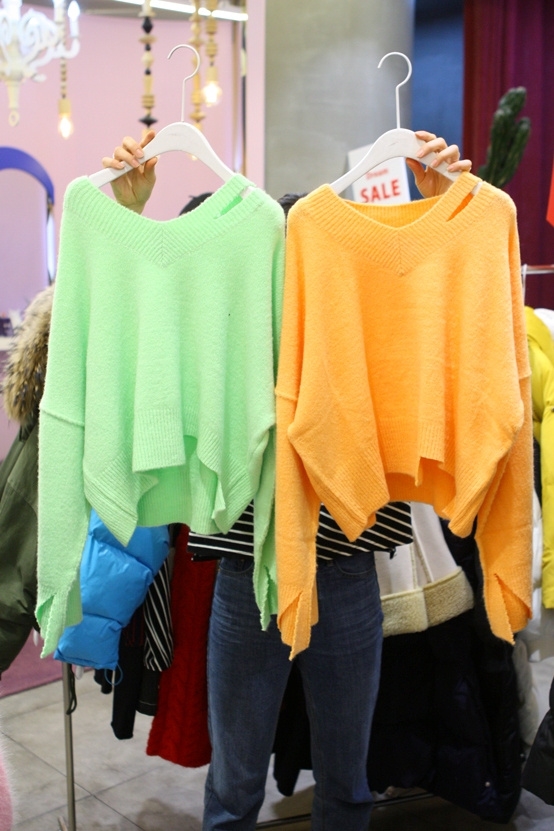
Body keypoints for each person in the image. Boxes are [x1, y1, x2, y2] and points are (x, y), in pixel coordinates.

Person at [101, 131, 472, 831]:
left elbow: (437, 305)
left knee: (344, 780)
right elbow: (145, 312)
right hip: (250, 567)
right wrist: (129, 213)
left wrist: (444, 211)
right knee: (236, 784)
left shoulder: (362, 309)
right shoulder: (234, 318)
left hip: (345, 563)